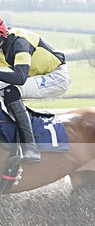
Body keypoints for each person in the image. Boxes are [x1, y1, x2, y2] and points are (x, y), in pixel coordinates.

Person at [0, 17, 70, 162]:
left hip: (56, 76)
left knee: (11, 90)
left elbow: (20, 78)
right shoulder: (3, 43)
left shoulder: (19, 42)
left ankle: (30, 147)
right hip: (35, 75)